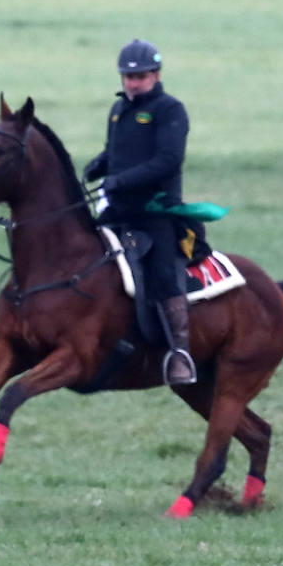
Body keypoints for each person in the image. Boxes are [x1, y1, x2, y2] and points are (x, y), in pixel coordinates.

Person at [83, 38, 196, 385]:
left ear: (156, 75)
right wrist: (97, 167)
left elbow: (168, 160)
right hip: (118, 210)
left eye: (141, 77)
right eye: (128, 77)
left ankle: (180, 353)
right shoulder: (118, 111)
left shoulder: (170, 110)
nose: (133, 83)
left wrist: (121, 180)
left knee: (162, 275)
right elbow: (114, 152)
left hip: (156, 211)